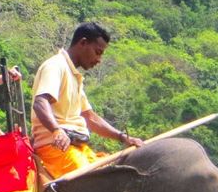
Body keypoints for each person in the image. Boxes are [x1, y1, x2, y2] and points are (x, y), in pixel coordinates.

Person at [31, 22, 143, 178]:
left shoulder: (74, 76)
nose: (99, 60)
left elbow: (90, 117)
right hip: (55, 148)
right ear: (83, 43)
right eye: (98, 52)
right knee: (93, 182)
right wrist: (57, 130)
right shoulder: (55, 66)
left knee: (114, 174)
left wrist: (123, 137)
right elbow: (40, 102)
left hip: (77, 147)